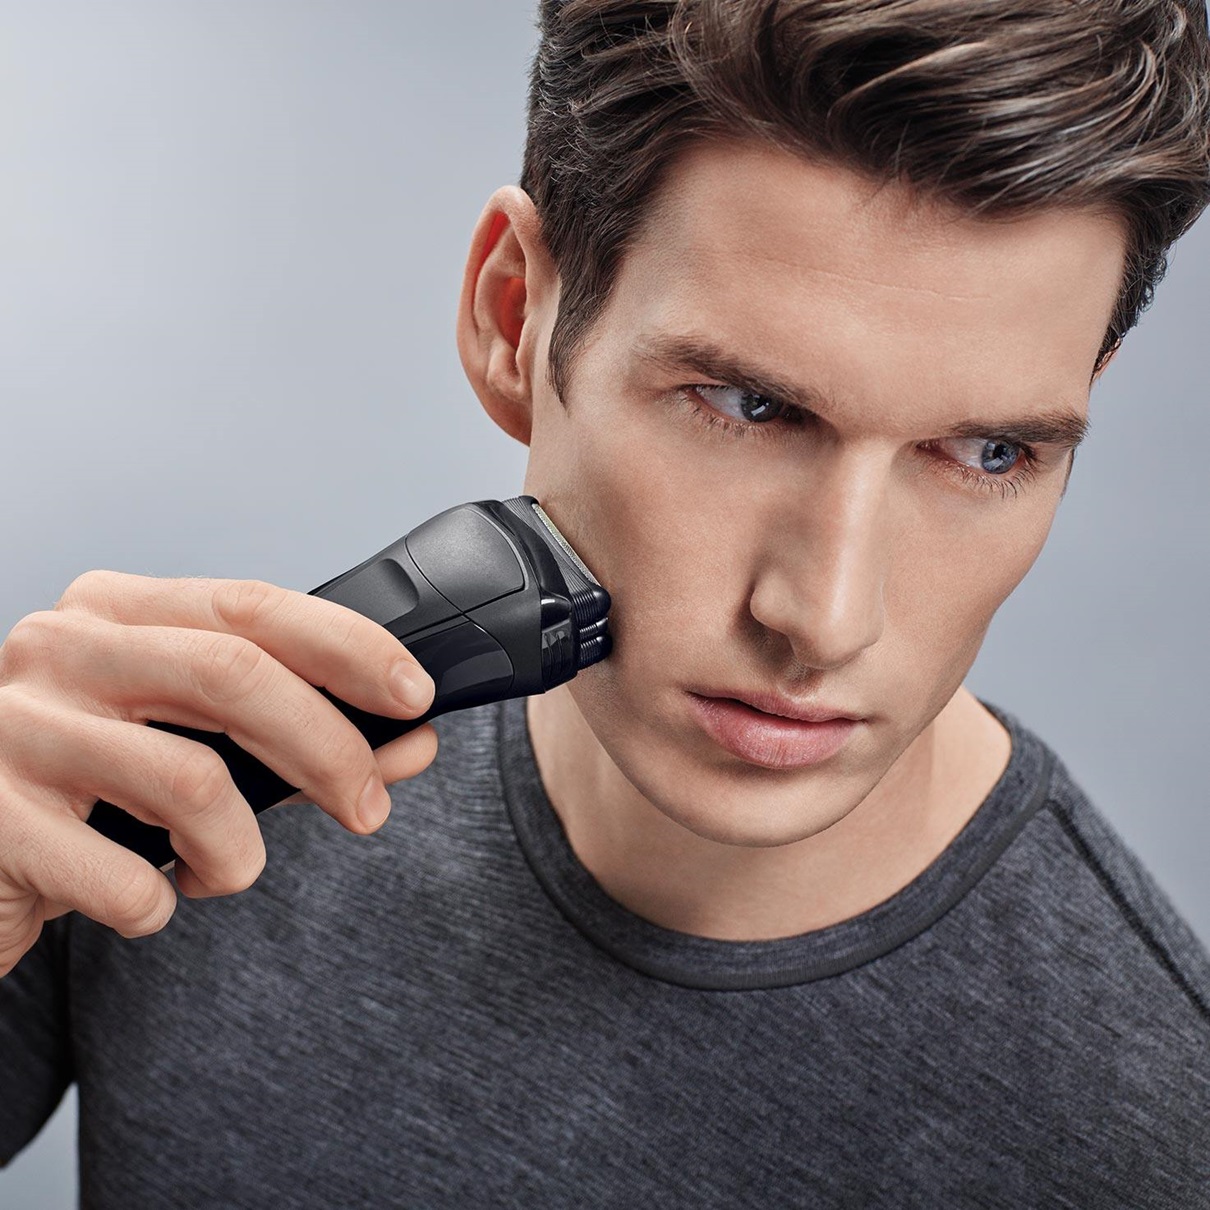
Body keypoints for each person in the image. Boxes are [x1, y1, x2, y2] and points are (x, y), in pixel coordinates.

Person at [2, 0, 1209, 1204]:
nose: (826, 619)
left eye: (991, 452)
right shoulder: (172, 793)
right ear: (513, 317)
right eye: (746, 407)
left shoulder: (1148, 1135)